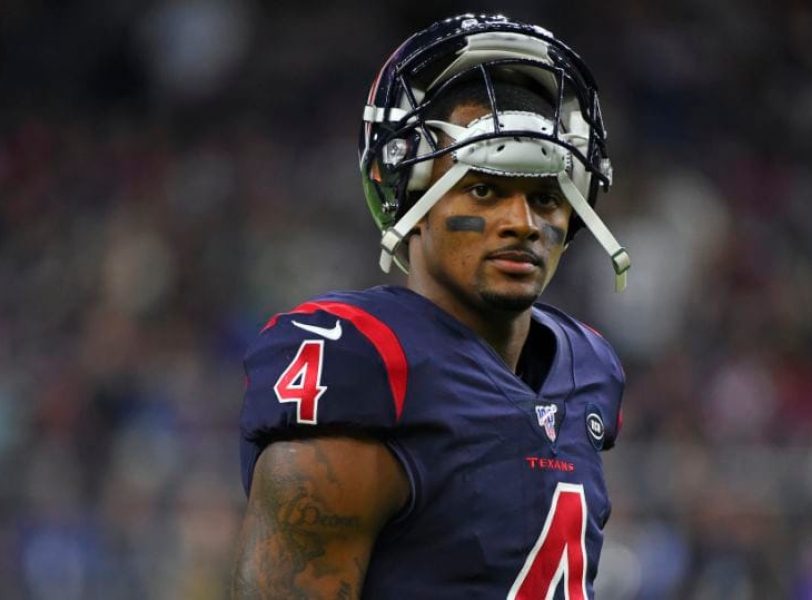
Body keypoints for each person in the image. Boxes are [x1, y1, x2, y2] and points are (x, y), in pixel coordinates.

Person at [233, 13, 630, 599]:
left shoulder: (588, 368)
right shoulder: (368, 369)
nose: (521, 224)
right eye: (485, 188)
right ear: (409, 189)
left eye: (545, 195)